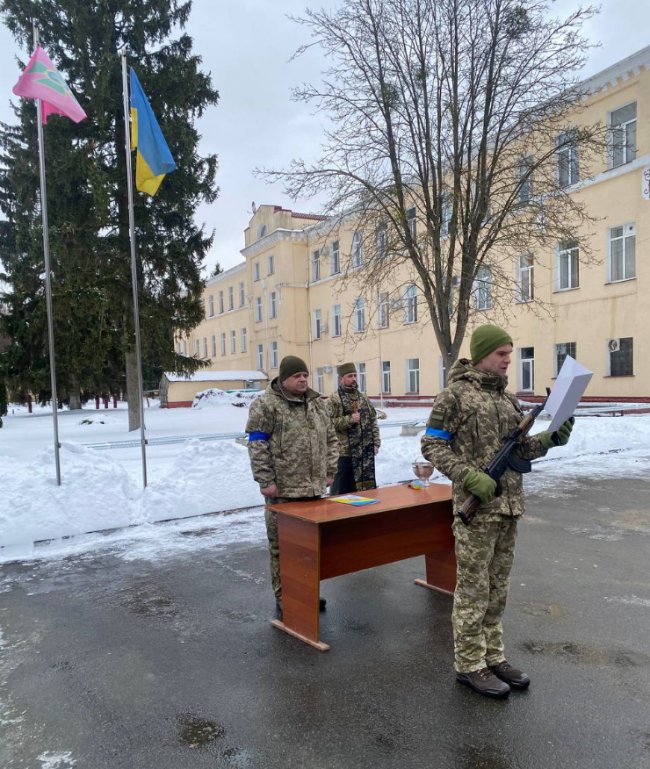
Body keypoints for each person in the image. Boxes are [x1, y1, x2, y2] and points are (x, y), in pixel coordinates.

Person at [421, 324, 574, 699]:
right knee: (473, 589)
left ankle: (493, 656)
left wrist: (550, 439)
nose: (509, 360)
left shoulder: (508, 401)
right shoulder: (454, 396)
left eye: (510, 353)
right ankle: (470, 663)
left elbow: (518, 453)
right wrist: (468, 476)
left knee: (498, 589)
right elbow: (432, 445)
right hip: (477, 511)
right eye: (502, 354)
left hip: (508, 507)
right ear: (482, 355)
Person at [245, 355, 338, 617]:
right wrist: (265, 480)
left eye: (305, 375)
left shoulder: (317, 404)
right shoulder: (266, 405)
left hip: (312, 491)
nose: (303, 379)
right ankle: (285, 595)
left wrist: (330, 471)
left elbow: (331, 438)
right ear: (284, 378)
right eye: (297, 376)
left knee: (310, 548)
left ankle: (307, 591)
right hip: (283, 493)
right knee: (282, 547)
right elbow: (257, 443)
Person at [327, 362, 380, 494]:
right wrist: (349, 420)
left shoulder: (362, 398)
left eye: (355, 375)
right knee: (341, 493)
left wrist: (376, 443)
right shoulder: (334, 399)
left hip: (364, 453)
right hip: (344, 454)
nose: (354, 379)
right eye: (350, 376)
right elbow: (326, 424)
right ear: (341, 379)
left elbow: (373, 420)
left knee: (363, 493)